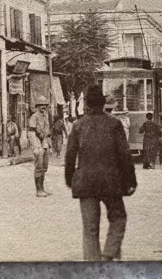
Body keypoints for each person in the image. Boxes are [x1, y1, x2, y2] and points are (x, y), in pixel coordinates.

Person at [65, 84, 137, 261]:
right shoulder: (114, 124)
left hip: (85, 182)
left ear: (87, 104)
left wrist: (70, 179)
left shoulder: (78, 125)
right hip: (111, 181)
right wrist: (130, 181)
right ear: (103, 103)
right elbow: (125, 155)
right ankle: (109, 254)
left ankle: (92, 267)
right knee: (118, 217)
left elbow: (70, 156)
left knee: (89, 228)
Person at [29, 96, 52, 197]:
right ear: (37, 106)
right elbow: (31, 132)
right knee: (38, 166)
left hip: (45, 143)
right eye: (41, 105)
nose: (43, 107)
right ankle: (38, 190)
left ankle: (42, 188)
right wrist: (35, 147)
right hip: (38, 144)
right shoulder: (34, 116)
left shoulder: (45, 116)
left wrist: (49, 146)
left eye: (45, 105)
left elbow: (47, 133)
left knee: (44, 167)